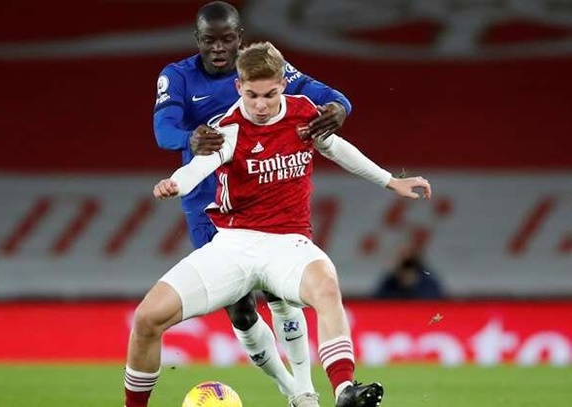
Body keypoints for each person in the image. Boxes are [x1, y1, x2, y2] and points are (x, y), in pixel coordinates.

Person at [125, 41, 432, 407]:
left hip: (288, 244)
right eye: (251, 95)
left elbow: (338, 149)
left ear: (283, 85)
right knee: (147, 318)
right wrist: (176, 183)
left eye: (269, 95)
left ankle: (344, 390)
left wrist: (391, 181)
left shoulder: (304, 115)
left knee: (326, 285)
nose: (260, 105)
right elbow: (199, 167)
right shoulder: (229, 129)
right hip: (234, 245)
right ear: (239, 87)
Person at [153, 1, 351, 405]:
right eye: (209, 40)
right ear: (197, 40)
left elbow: (327, 95)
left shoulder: (260, 69)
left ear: (239, 38)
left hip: (260, 196)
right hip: (206, 205)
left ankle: (305, 392)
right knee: (241, 311)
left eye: (227, 39)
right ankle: (289, 387)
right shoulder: (177, 76)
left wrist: (339, 108)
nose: (218, 48)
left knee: (281, 295)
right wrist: (189, 138)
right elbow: (163, 130)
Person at [374, 245, 444, 300]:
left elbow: (436, 302)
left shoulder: (429, 282)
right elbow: (379, 301)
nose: (406, 259)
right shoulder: (389, 282)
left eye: (409, 257)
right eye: (402, 256)